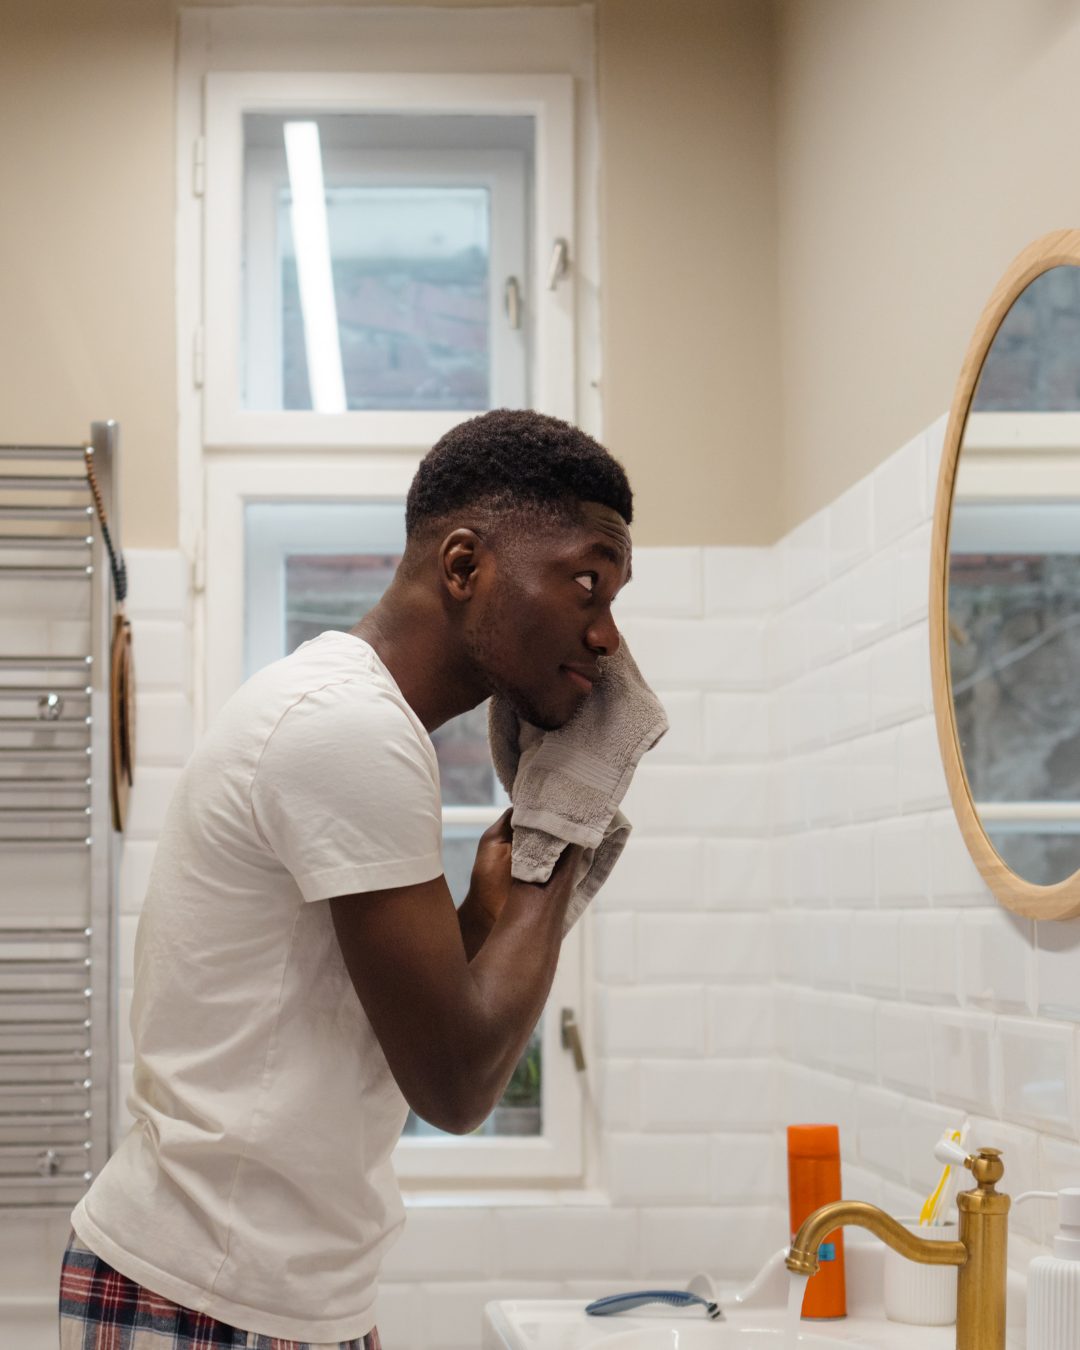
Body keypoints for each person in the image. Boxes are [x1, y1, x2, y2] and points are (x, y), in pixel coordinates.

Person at [60, 409, 634, 1350]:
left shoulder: (357, 721)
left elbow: (398, 1024)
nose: (608, 636)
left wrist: (491, 908)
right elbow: (456, 1086)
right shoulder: (347, 727)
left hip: (280, 1293)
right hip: (203, 1293)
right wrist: (564, 829)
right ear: (463, 566)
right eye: (587, 584)